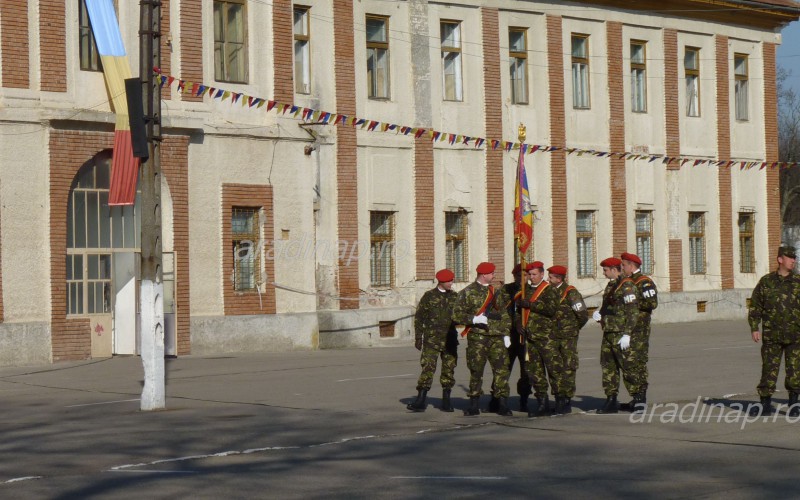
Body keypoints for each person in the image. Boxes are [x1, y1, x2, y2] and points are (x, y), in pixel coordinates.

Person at [452, 262, 513, 416]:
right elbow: (456, 315)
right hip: (478, 337)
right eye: (492, 273)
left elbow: (504, 314)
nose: (493, 276)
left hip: (497, 337)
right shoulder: (467, 292)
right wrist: (473, 319)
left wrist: (506, 333)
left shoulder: (495, 291)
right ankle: (473, 404)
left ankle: (502, 403)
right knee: (476, 371)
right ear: (484, 274)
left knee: (501, 371)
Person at [748, 245, 800, 417]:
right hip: (772, 336)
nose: (793, 260)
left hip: (795, 336)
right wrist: (755, 327)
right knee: (769, 370)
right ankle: (765, 404)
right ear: (780, 259)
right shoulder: (766, 282)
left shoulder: (798, 282)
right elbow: (756, 306)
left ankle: (794, 405)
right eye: (790, 257)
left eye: (794, 258)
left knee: (795, 372)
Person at [407, 269, 459, 412]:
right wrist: (418, 337)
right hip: (432, 340)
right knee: (428, 368)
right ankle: (421, 400)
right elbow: (419, 317)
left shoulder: (455, 297)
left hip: (450, 340)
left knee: (449, 370)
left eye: (452, 280)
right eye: (449, 281)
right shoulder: (429, 296)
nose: (451, 283)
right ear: (441, 282)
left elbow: (461, 315)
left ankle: (446, 401)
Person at [595, 257, 639, 414]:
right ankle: (611, 399)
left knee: (627, 367)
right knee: (608, 367)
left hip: (620, 333)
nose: (604, 273)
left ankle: (638, 399)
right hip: (609, 331)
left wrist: (627, 334)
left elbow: (633, 312)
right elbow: (611, 307)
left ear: (614, 269)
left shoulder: (627, 286)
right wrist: (600, 314)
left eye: (606, 270)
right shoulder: (612, 285)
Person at [488, 264, 532, 413]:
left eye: (525, 275)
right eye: (519, 275)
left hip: (526, 338)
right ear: (514, 276)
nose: (522, 278)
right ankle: (498, 401)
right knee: (502, 369)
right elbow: (497, 311)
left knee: (526, 372)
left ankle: (524, 400)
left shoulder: (533, 291)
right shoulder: (505, 291)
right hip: (508, 336)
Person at [518, 261, 560, 417]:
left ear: (542, 274)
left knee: (553, 369)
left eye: (534, 274)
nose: (531, 277)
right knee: (535, 371)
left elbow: (551, 309)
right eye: (529, 274)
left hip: (546, 337)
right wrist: (518, 323)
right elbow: (520, 310)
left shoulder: (549, 290)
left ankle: (560, 400)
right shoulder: (525, 290)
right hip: (531, 337)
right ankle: (542, 402)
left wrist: (531, 305)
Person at [619, 252, 658, 411]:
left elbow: (652, 303)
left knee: (637, 363)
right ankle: (636, 398)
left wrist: (633, 302)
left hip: (639, 329)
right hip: (628, 327)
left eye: (623, 265)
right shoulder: (627, 281)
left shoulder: (644, 282)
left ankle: (640, 397)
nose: (621, 268)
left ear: (631, 266)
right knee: (630, 363)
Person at [547, 265, 589, 414]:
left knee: (568, 367)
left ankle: (566, 399)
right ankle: (558, 397)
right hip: (552, 336)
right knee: (554, 367)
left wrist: (573, 329)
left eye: (551, 277)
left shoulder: (570, 292)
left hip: (567, 337)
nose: (548, 279)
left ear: (558, 278)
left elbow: (583, 315)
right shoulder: (550, 291)